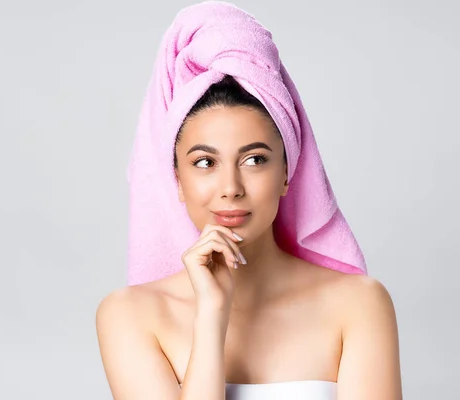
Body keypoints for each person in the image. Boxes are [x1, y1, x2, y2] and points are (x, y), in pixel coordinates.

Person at [96, 3, 402, 400]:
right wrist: (210, 317)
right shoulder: (130, 315)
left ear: (288, 173)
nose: (230, 187)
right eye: (204, 162)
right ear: (177, 180)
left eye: (254, 159)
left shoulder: (359, 303)